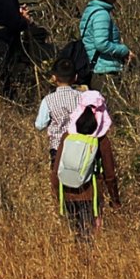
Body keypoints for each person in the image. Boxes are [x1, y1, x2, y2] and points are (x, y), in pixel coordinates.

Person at [54, 103, 119, 240]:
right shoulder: (101, 140)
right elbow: (110, 174)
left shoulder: (67, 137)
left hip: (67, 194)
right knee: (89, 237)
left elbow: (56, 170)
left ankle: (74, 260)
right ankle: (87, 260)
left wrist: (57, 197)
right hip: (90, 195)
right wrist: (115, 200)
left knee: (73, 236)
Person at [79, 0, 132, 89]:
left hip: (96, 69)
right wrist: (124, 50)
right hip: (104, 70)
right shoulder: (102, 15)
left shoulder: (90, 11)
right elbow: (101, 44)